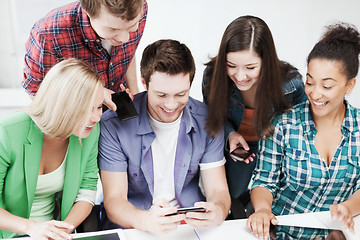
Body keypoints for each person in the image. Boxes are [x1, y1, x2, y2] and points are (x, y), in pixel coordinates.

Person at [98, 39, 231, 233]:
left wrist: (218, 211)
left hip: (190, 227)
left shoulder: (208, 121)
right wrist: (147, 221)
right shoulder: (114, 123)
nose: (171, 105)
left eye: (180, 94)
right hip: (136, 226)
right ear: (143, 82)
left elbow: (218, 191)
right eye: (161, 95)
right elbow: (114, 201)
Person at [247, 23, 360, 239]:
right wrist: (262, 210)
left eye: (326, 86)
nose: (315, 93)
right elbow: (264, 180)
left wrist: (349, 207)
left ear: (349, 85)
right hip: (280, 233)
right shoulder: (283, 124)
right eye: (310, 82)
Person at [202, 15, 307, 214]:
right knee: (233, 205)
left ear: (266, 61)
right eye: (231, 66)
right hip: (235, 152)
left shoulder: (291, 85)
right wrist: (230, 134)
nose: (240, 76)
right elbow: (211, 115)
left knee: (269, 208)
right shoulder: (212, 76)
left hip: (275, 153)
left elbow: (302, 129)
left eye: (250, 68)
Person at [0, 59, 104, 239]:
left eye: (99, 107)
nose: (96, 117)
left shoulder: (89, 132)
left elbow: (86, 193)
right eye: (88, 109)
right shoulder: (9, 131)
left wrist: (61, 231)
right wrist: (31, 228)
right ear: (62, 105)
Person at [23, 0, 148, 111]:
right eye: (112, 30)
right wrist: (95, 94)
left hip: (119, 101)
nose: (125, 38)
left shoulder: (139, 9)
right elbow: (36, 93)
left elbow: (127, 54)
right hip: (76, 111)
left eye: (132, 27)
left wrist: (135, 92)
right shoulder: (47, 35)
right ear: (88, 12)